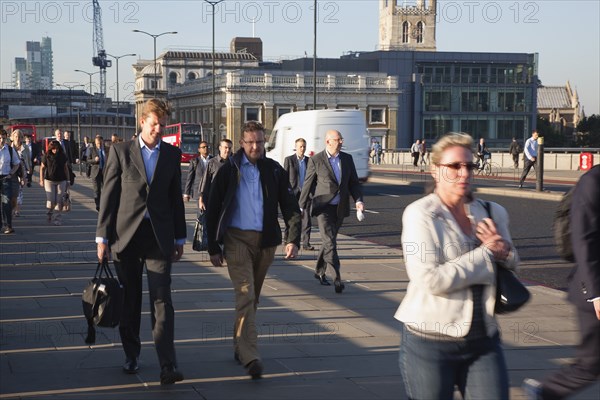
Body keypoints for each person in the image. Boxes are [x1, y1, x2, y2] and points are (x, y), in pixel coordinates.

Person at [395, 133, 519, 399]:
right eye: (454, 166)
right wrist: (486, 254)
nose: (464, 173)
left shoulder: (491, 210)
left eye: (469, 166)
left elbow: (512, 260)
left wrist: (504, 251)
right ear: (436, 170)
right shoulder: (421, 214)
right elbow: (430, 279)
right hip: (429, 340)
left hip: (483, 338)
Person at [95, 99, 186, 385]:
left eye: (162, 124)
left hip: (159, 237)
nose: (158, 129)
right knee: (130, 301)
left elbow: (175, 199)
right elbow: (108, 196)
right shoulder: (120, 152)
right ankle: (131, 354)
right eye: (154, 123)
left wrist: (180, 236)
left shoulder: (172, 154)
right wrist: (102, 237)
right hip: (126, 237)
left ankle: (167, 365)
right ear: (142, 121)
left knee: (162, 299)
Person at [206, 121, 301, 379]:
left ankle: (240, 344)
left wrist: (293, 238)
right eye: (250, 142)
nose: (255, 147)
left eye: (259, 142)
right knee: (245, 294)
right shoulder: (228, 171)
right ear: (241, 143)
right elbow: (213, 210)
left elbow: (290, 206)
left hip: (266, 242)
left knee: (253, 298)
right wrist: (213, 247)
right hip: (237, 240)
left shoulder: (273, 170)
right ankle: (251, 356)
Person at [523, 164, 600, 400]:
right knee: (590, 364)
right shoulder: (593, 181)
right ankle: (545, 392)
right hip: (594, 290)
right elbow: (583, 240)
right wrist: (596, 294)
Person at [298, 129, 365, 293]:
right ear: (328, 142)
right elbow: (307, 184)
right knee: (329, 242)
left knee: (329, 241)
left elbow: (354, 183)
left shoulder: (347, 159)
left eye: (341, 139)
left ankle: (319, 271)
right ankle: (337, 279)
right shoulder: (316, 160)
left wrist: (358, 200)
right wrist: (300, 206)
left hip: (340, 207)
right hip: (323, 208)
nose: (341, 142)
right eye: (338, 139)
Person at [284, 138, 314, 250]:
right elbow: (285, 177)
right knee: (291, 218)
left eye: (304, 146)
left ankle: (306, 243)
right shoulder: (289, 160)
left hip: (305, 194)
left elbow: (313, 177)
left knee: (306, 219)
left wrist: (312, 191)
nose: (302, 149)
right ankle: (287, 240)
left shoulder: (309, 160)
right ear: (296, 147)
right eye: (300, 146)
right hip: (293, 193)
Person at [39, 140, 69, 226]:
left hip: (61, 180)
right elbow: (42, 168)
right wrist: (41, 180)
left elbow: (65, 168)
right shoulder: (46, 155)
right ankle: (49, 212)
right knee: (51, 200)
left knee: (59, 200)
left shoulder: (62, 156)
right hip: (49, 180)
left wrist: (68, 180)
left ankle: (57, 219)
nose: (55, 150)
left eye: (56, 149)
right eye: (53, 149)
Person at [198, 139, 232, 212]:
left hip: (229, 202)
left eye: (229, 148)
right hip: (214, 201)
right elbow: (205, 182)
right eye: (225, 147)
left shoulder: (233, 163)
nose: (228, 150)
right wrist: (201, 200)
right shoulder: (212, 163)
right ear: (220, 148)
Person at [0, 130, 21, 234]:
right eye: (0, 138)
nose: (1, 140)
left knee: (6, 202)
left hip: (5, 178)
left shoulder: (9, 150)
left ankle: (8, 226)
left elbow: (17, 163)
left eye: (3, 138)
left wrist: (11, 173)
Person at [10, 129, 31, 217]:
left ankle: (17, 210)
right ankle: (13, 207)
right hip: (12, 172)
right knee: (12, 192)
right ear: (12, 137)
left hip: (22, 172)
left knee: (20, 191)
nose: (18, 138)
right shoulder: (9, 148)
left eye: (19, 137)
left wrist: (29, 172)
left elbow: (28, 160)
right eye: (16, 136)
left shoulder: (25, 148)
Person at [88, 135, 107, 211]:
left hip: (105, 172)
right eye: (97, 143)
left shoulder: (106, 149)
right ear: (95, 143)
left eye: (100, 143)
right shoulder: (92, 149)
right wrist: (94, 160)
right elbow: (88, 160)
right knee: (97, 190)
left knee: (106, 189)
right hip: (95, 172)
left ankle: (105, 203)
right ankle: (98, 204)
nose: (99, 145)